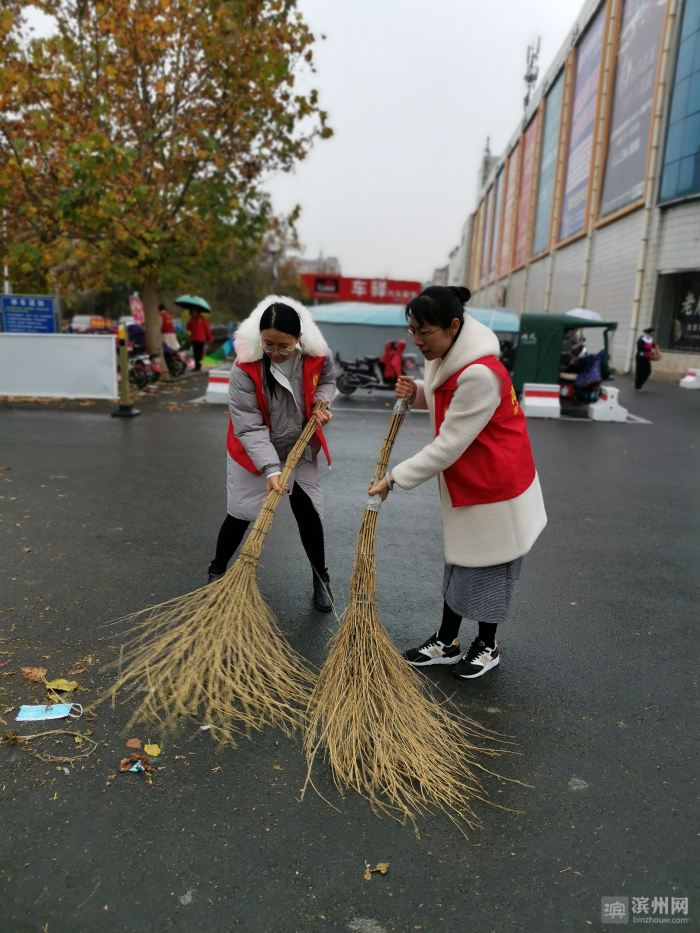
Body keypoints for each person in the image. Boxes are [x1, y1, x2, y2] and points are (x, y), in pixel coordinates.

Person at [368, 285, 547, 679]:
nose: (417, 342)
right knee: (461, 562)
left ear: (453, 326)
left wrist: (394, 478)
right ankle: (447, 641)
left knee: (490, 568)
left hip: (496, 486)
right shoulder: (449, 355)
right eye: (412, 330)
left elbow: (448, 444)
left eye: (424, 332)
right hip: (471, 481)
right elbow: (442, 401)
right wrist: (417, 392)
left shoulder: (480, 373)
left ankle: (488, 645)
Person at [207, 296, 336, 611]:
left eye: (284, 346)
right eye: (268, 345)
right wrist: (271, 469)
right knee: (241, 513)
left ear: (298, 339)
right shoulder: (245, 367)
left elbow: (329, 382)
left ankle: (322, 579)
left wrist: (322, 402)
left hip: (298, 444)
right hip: (253, 450)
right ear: (259, 338)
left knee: (307, 512)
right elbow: (249, 427)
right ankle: (217, 570)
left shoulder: (317, 356)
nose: (276, 353)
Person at [635, 327, 659, 391]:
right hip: (640, 357)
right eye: (652, 332)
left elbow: (653, 345)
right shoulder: (642, 338)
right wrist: (649, 349)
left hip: (647, 357)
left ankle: (640, 384)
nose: (653, 334)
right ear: (649, 332)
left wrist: (656, 347)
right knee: (640, 372)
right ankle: (638, 386)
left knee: (648, 371)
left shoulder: (651, 339)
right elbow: (640, 347)